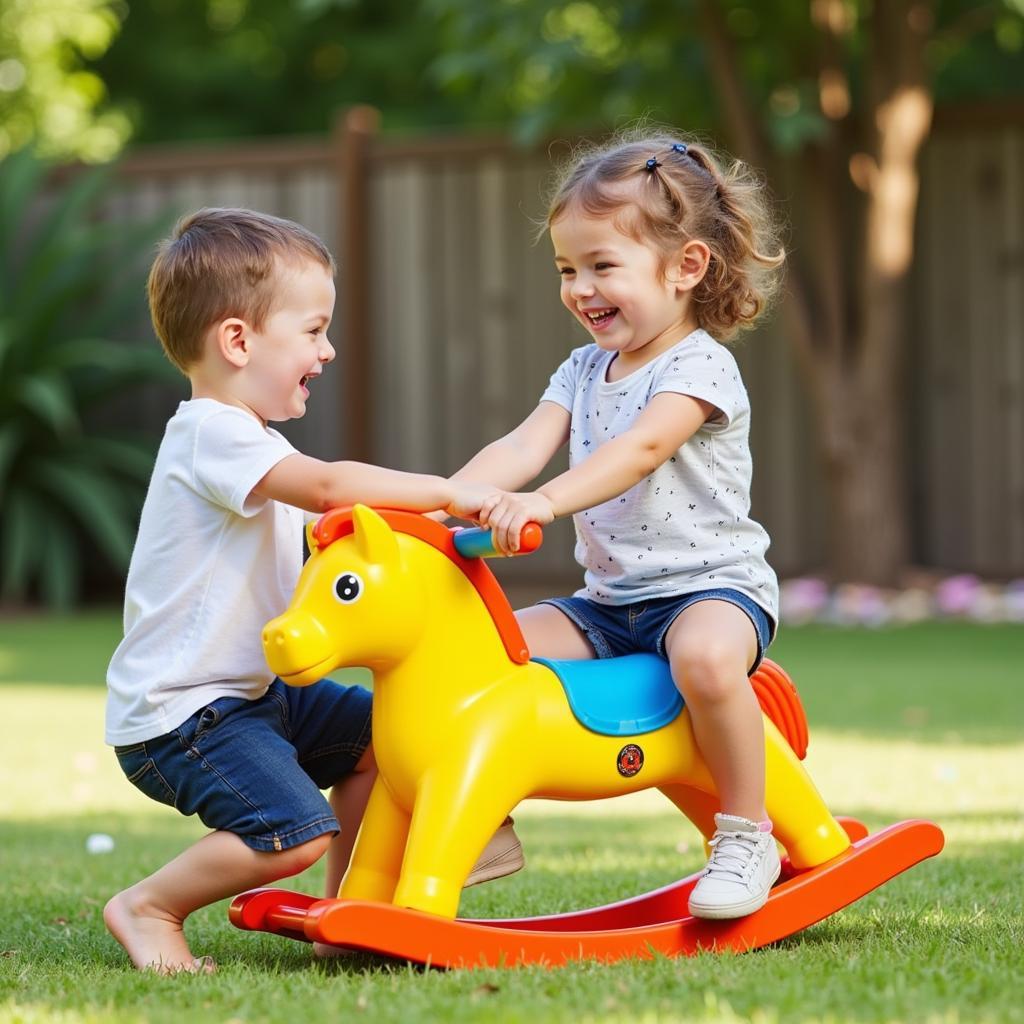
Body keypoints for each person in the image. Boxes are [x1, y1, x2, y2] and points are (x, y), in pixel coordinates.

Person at [103, 208, 522, 974]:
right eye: (313, 330)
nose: (327, 351)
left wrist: (432, 524)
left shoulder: (256, 446)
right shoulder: (211, 435)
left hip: (255, 695)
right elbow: (334, 488)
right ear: (237, 341)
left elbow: (355, 522)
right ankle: (149, 906)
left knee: (388, 744)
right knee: (291, 831)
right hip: (186, 710)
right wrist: (452, 489)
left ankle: (352, 907)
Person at [451, 132, 786, 920]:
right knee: (480, 647)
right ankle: (485, 825)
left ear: (687, 267)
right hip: (609, 604)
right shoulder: (581, 369)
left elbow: (640, 450)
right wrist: (445, 501)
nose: (580, 288)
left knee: (705, 662)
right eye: (567, 269)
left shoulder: (699, 367)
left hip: (711, 590)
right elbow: (520, 446)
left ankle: (746, 835)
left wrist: (543, 504)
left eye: (603, 266)